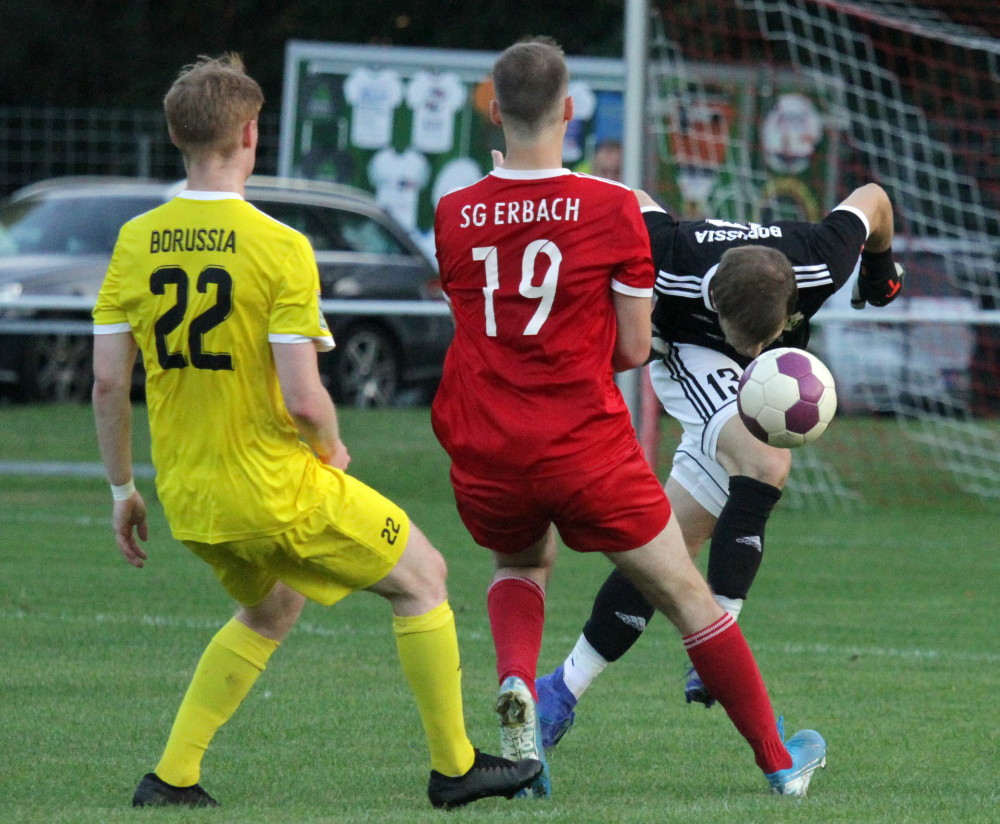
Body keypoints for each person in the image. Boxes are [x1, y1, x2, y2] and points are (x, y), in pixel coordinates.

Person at [91, 53, 541, 811]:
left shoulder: (136, 240)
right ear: (251, 136)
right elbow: (305, 397)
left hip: (193, 500)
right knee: (425, 577)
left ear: (178, 135)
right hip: (273, 486)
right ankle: (456, 768)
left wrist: (122, 489)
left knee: (271, 607)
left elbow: (108, 383)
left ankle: (171, 777)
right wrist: (330, 448)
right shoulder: (280, 246)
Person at [431, 36, 827, 800]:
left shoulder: (453, 213)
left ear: (494, 110)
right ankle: (781, 761)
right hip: (583, 445)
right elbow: (635, 347)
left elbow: (475, 319)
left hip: (487, 442)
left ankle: (520, 694)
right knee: (687, 596)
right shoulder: (612, 207)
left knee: (519, 564)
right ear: (569, 112)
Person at [536, 180, 904, 743]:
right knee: (766, 463)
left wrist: (879, 274)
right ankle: (718, 640)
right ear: (714, 305)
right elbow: (626, 198)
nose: (755, 355)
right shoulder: (671, 257)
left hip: (747, 380)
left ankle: (559, 692)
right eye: (744, 340)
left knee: (665, 552)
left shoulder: (820, 259)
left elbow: (874, 199)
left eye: (768, 339)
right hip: (687, 355)